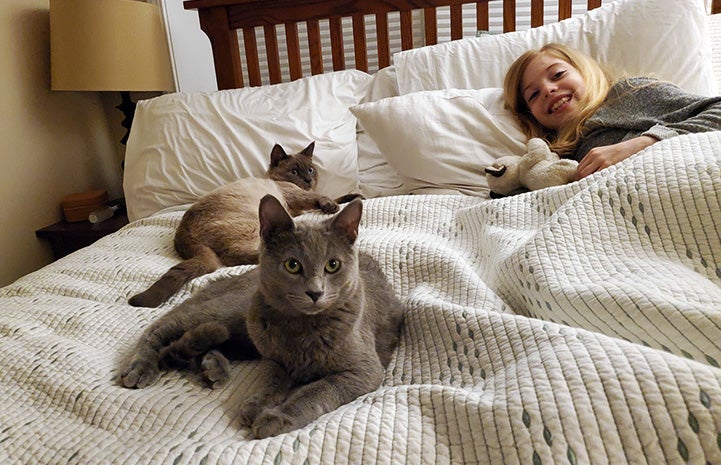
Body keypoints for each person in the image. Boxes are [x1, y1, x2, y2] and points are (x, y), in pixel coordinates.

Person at [503, 43, 721, 180]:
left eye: (558, 74)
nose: (549, 90)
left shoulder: (629, 94)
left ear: (583, 71)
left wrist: (642, 144)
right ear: (530, 114)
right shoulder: (554, 155)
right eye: (533, 94)